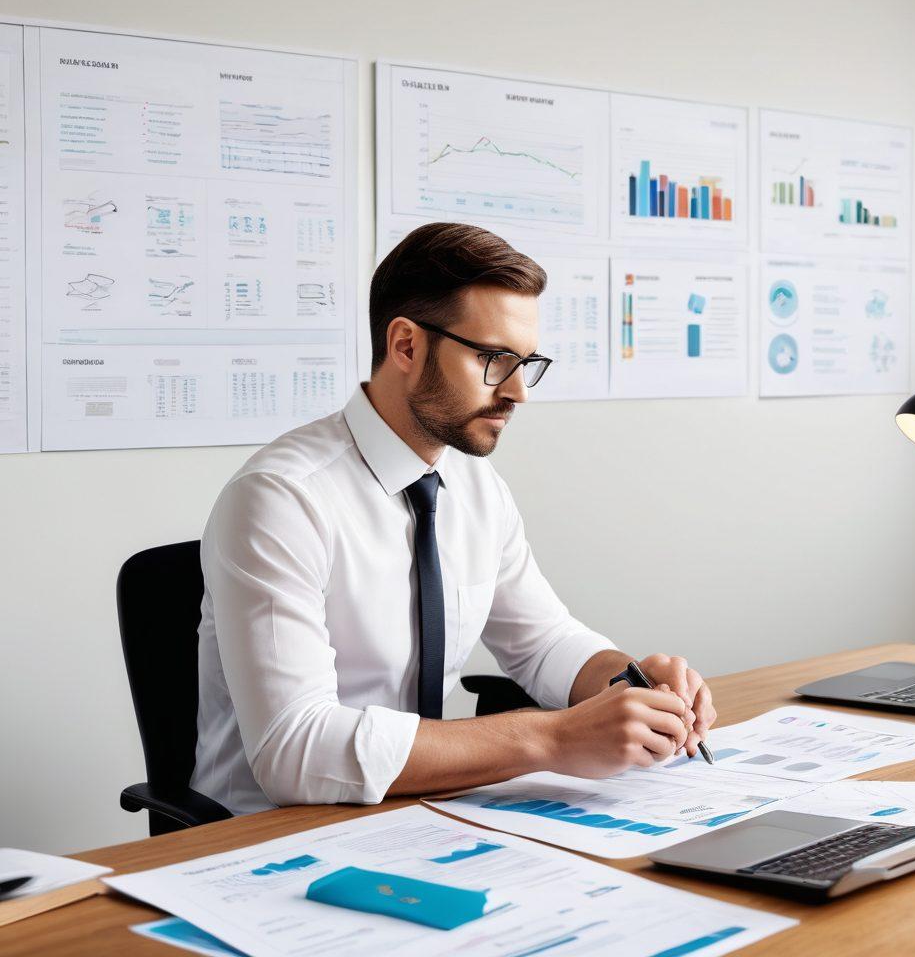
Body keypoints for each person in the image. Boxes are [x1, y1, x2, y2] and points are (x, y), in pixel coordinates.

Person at [191, 221, 717, 813]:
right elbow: (296, 752)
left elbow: (543, 643)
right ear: (407, 346)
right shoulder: (280, 498)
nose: (519, 392)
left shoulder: (473, 486)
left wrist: (629, 683)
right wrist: (552, 738)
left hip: (425, 815)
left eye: (527, 362)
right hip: (267, 836)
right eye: (495, 359)